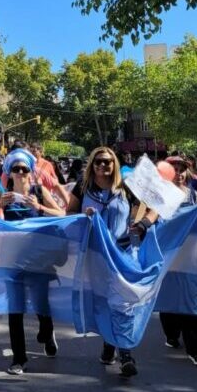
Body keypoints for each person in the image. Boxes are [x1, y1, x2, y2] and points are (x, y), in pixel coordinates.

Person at [67, 146, 152, 377]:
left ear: (115, 164)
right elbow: (69, 214)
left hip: (123, 254)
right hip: (94, 256)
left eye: (107, 162)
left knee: (123, 303)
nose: (103, 166)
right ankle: (108, 343)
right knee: (103, 302)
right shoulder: (83, 187)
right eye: (98, 162)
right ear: (92, 165)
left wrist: (143, 224)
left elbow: (155, 207)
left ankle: (126, 355)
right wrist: (83, 217)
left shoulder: (126, 188)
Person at [0, 148, 65, 374]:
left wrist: (39, 207)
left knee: (41, 304)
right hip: (12, 260)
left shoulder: (38, 190)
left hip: (39, 260)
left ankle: (47, 330)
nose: (21, 172)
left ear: (30, 172)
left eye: (24, 169)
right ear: (10, 173)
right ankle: (19, 358)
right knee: (15, 309)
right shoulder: (3, 194)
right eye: (16, 169)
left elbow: (62, 215)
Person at [158, 156, 197, 367]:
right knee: (168, 301)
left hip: (190, 259)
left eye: (181, 169)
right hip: (167, 258)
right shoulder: (157, 197)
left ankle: (196, 351)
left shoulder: (195, 197)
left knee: (192, 305)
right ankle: (171, 335)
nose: (178, 173)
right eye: (173, 169)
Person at [30, 142, 70, 208]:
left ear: (41, 152)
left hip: (46, 196)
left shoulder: (47, 164)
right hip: (32, 195)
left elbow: (55, 179)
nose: (32, 153)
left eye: (34, 151)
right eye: (31, 151)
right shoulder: (28, 164)